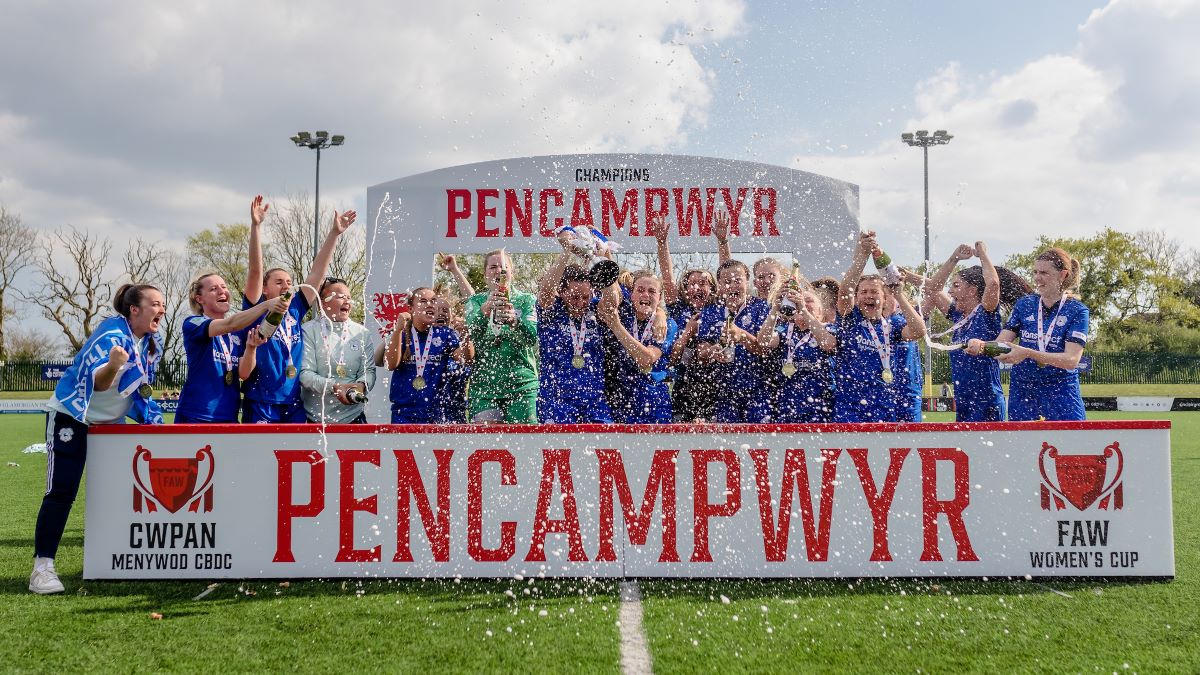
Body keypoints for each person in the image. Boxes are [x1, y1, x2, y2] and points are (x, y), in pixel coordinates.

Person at [31, 284, 166, 594]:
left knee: (120, 493)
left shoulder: (148, 342)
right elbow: (100, 384)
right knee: (62, 491)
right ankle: (42, 568)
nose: (162, 310)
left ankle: (114, 559)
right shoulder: (111, 336)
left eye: (163, 304)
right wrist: (116, 364)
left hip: (110, 424)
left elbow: (139, 387)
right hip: (73, 417)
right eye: (155, 304)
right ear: (134, 309)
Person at [238, 196, 355, 423]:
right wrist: (256, 227)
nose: (287, 285)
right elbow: (254, 271)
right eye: (279, 282)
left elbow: (317, 274)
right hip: (262, 400)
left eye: (290, 282)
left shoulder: (296, 309)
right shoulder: (256, 309)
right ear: (264, 290)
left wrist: (334, 234)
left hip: (293, 401)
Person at [968, 247, 1088, 421]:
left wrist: (1026, 353)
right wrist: (983, 346)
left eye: (1044, 273)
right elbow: (1002, 344)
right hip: (1023, 391)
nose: (1037, 278)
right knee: (1022, 447)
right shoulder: (1024, 305)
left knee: (1068, 447)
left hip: (1061, 393)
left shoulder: (1077, 310)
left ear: (1063, 275)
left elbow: (1071, 360)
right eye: (1035, 272)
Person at [925, 242, 1031, 422]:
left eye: (956, 285)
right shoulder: (957, 316)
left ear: (972, 290)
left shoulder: (986, 313)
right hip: (963, 401)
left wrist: (982, 254)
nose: (950, 291)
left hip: (986, 401)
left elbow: (993, 284)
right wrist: (954, 258)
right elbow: (933, 289)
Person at [834, 231, 927, 422]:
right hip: (851, 407)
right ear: (857, 297)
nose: (869, 296)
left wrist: (899, 294)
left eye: (875, 292)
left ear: (884, 299)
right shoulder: (851, 320)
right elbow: (845, 291)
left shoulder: (893, 325)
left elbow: (918, 331)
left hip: (885, 406)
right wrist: (862, 257)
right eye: (864, 292)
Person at [175, 275, 285, 423]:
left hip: (228, 416)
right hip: (197, 415)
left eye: (224, 287)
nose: (222, 291)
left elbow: (244, 374)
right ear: (199, 299)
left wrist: (251, 348)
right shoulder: (194, 323)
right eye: (213, 289)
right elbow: (230, 324)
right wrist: (265, 305)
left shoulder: (237, 333)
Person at [535, 236, 615, 423]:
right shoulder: (552, 311)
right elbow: (546, 291)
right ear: (562, 292)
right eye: (574, 297)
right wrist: (567, 251)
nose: (580, 303)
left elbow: (612, 300)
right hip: (556, 402)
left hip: (594, 402)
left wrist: (601, 258)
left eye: (585, 297)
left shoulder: (595, 309)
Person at [653, 213, 719, 422]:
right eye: (692, 283)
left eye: (703, 283)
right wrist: (662, 243)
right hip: (684, 385)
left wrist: (723, 241)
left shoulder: (719, 308)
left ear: (713, 288)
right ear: (685, 288)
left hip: (717, 387)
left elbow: (728, 271)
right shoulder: (679, 307)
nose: (697, 287)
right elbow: (667, 276)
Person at [464, 249, 538, 423]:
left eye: (504, 267)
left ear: (512, 273)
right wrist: (483, 313)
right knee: (487, 445)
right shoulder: (475, 302)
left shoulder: (526, 300)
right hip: (484, 388)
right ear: (485, 274)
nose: (499, 271)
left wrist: (514, 322)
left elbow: (531, 338)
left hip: (522, 386)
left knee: (526, 442)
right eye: (493, 267)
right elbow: (471, 336)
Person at [696, 259, 773, 423]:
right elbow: (701, 352)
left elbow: (765, 349)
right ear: (720, 285)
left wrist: (742, 336)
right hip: (723, 394)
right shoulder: (711, 311)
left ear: (747, 282)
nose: (733, 286)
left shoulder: (762, 307)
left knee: (761, 442)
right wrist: (713, 350)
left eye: (738, 280)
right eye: (727, 282)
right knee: (725, 444)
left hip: (758, 391)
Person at [598, 271, 677, 423]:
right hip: (618, 399)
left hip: (654, 402)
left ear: (660, 298)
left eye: (652, 291)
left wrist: (616, 326)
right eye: (640, 290)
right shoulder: (623, 313)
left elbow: (646, 359)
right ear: (631, 295)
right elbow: (611, 296)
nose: (645, 295)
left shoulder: (667, 325)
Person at [299, 277, 376, 424]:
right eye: (341, 297)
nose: (347, 301)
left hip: (353, 418)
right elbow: (305, 374)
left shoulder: (362, 333)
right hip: (314, 419)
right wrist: (334, 387)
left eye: (349, 297)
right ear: (323, 301)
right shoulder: (308, 330)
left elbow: (369, 371)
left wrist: (361, 385)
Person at [754, 286, 836, 422]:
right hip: (786, 407)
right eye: (799, 301)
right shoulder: (784, 329)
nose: (802, 303)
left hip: (820, 408)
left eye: (808, 301)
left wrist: (803, 309)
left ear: (821, 310)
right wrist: (775, 309)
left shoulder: (828, 329)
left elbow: (828, 344)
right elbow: (763, 342)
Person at [386, 287, 462, 424]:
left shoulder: (445, 334)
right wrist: (397, 331)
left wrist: (468, 335)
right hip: (404, 414)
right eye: (423, 301)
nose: (430, 304)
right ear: (411, 308)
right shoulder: (402, 334)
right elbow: (391, 364)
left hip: (437, 414)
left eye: (433, 301)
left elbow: (465, 359)